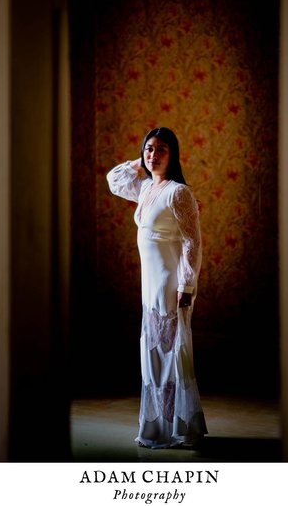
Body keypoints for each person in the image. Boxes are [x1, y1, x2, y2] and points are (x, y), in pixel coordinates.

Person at [106, 127, 208, 449]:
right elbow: (115, 181)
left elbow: (193, 241)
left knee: (171, 354)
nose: (153, 155)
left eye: (161, 149)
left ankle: (177, 429)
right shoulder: (149, 187)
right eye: (149, 149)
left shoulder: (178, 192)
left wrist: (187, 284)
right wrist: (138, 163)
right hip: (148, 284)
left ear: (173, 154)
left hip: (168, 283)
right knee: (152, 354)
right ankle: (158, 426)